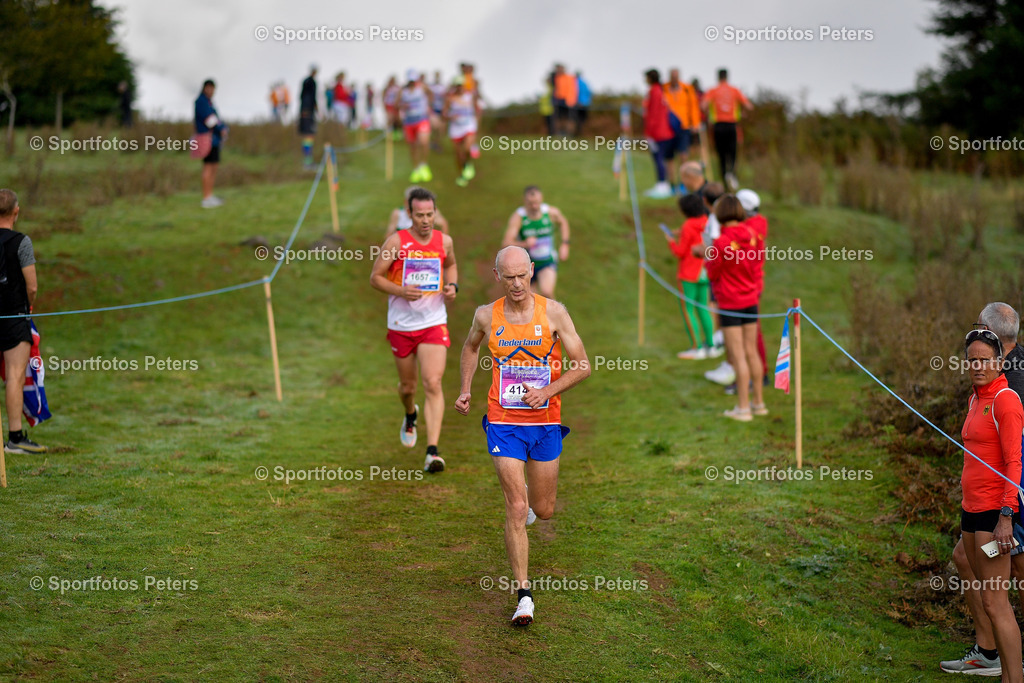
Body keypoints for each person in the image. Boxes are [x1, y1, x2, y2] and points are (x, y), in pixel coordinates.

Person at [454, 246, 591, 625]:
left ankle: (531, 499)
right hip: (503, 421)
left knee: (543, 511)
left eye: (522, 275)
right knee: (515, 508)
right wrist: (465, 389)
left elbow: (583, 366)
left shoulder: (554, 313)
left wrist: (547, 392)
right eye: (508, 277)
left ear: (532, 270)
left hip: (544, 421)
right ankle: (524, 596)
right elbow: (469, 348)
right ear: (497, 276)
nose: (516, 284)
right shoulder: (486, 315)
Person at [942, 304, 1024, 676]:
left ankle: (1013, 676)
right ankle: (993, 662)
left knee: (996, 602)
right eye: (972, 360)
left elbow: (1013, 463)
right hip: (971, 512)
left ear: (999, 361)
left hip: (994, 516)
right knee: (989, 598)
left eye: (984, 360)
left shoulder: (1006, 401)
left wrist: (1006, 517)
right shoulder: (976, 398)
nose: (977, 366)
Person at [369, 188, 458, 473]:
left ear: (435, 212)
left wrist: (452, 286)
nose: (426, 220)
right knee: (408, 387)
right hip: (401, 325)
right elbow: (375, 278)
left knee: (433, 382)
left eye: (430, 214)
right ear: (409, 213)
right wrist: (400, 290)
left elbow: (451, 265)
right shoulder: (396, 242)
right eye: (420, 215)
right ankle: (410, 413)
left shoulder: (444, 241)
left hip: (433, 322)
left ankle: (432, 452)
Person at [703, 195, 765, 420]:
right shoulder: (754, 235)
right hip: (751, 300)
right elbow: (758, 264)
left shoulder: (720, 242)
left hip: (730, 302)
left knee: (738, 356)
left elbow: (712, 272)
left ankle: (743, 408)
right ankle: (758, 404)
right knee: (752, 352)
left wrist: (706, 254)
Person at [0, 190, 46, 455]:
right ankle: (15, 438)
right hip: (14, 318)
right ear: (16, 212)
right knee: (15, 375)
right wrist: (28, 307)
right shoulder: (21, 242)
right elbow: (32, 286)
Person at [666, 193, 719, 360]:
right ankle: (711, 345)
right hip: (704, 271)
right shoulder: (707, 221)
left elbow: (680, 252)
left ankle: (697, 348)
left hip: (689, 273)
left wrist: (671, 241)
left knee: (688, 309)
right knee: (704, 308)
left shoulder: (688, 225)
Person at [502, 186, 570, 299]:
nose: (534, 206)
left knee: (547, 291)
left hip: (547, 261)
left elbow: (563, 222)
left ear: (541, 199)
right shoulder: (519, 217)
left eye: (537, 203)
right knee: (529, 299)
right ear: (525, 201)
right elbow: (506, 243)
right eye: (530, 203)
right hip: (526, 265)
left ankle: (555, 310)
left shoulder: (550, 213)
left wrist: (565, 244)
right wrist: (525, 244)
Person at [701, 69, 753, 191]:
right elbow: (749, 106)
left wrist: (708, 114)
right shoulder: (734, 90)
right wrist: (743, 113)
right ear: (727, 77)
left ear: (718, 77)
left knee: (721, 154)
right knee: (732, 151)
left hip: (718, 126)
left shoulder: (713, 91)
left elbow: (703, 106)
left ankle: (724, 178)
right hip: (732, 125)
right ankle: (732, 174)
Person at [664, 69, 700, 192]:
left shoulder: (687, 89)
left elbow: (693, 106)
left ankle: (684, 183)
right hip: (668, 128)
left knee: (683, 155)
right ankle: (671, 184)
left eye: (676, 76)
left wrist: (695, 123)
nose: (674, 79)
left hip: (683, 127)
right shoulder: (664, 88)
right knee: (669, 157)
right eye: (672, 76)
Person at [194, 79, 227, 209]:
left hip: (214, 139)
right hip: (206, 138)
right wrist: (221, 128)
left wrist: (223, 127)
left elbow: (216, 118)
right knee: (208, 167)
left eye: (212, 88)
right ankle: (206, 198)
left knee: (214, 167)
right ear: (204, 88)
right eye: (209, 88)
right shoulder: (201, 102)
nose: (211, 91)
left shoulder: (209, 102)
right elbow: (210, 120)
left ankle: (210, 195)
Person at [642, 69, 674, 199]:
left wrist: (649, 133)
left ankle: (662, 185)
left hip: (658, 133)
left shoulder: (654, 91)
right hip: (663, 131)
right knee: (660, 158)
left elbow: (653, 114)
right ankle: (662, 184)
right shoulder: (660, 90)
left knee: (659, 158)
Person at [444, 76, 481, 187]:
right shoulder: (450, 99)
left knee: (467, 148)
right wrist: (451, 117)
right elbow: (444, 113)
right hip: (455, 129)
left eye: (461, 85)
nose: (459, 88)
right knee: (458, 154)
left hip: (468, 126)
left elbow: (477, 110)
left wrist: (476, 123)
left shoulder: (470, 96)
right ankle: (462, 174)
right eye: (457, 86)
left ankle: (468, 164)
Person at [400, 69, 433, 183]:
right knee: (413, 146)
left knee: (424, 142)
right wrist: (402, 106)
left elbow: (431, 94)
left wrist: (429, 105)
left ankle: (424, 165)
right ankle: (416, 169)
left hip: (422, 119)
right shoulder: (403, 91)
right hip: (409, 121)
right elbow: (397, 103)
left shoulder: (422, 87)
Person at [384, 186, 450, 239]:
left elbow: (444, 224)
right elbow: (389, 234)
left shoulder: (430, 211)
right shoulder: (398, 213)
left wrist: (441, 244)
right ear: (405, 201)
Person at [298, 66, 318, 169]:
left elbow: (301, 96)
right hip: (307, 111)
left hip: (305, 111)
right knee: (308, 136)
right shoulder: (311, 82)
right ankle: (307, 162)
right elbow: (310, 96)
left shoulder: (306, 81)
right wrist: (313, 107)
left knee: (308, 136)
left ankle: (308, 161)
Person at [552, 64, 577, 137]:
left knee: (570, 118)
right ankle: (559, 133)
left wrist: (571, 100)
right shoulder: (556, 77)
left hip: (569, 101)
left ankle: (569, 134)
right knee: (558, 118)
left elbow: (573, 89)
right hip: (558, 100)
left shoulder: (570, 77)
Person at [574, 71, 591, 137]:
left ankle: (578, 133)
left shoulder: (576, 82)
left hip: (578, 104)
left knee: (577, 119)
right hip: (585, 104)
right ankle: (582, 133)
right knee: (583, 119)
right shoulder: (585, 83)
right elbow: (589, 93)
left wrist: (578, 101)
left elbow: (576, 93)